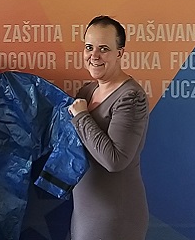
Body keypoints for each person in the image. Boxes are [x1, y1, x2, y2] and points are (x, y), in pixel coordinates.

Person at [67, 15, 150, 240]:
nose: (94, 55)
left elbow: (115, 160)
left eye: (103, 49)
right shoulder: (86, 92)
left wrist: (82, 117)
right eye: (89, 47)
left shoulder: (131, 97)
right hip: (85, 212)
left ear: (119, 53)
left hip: (115, 216)